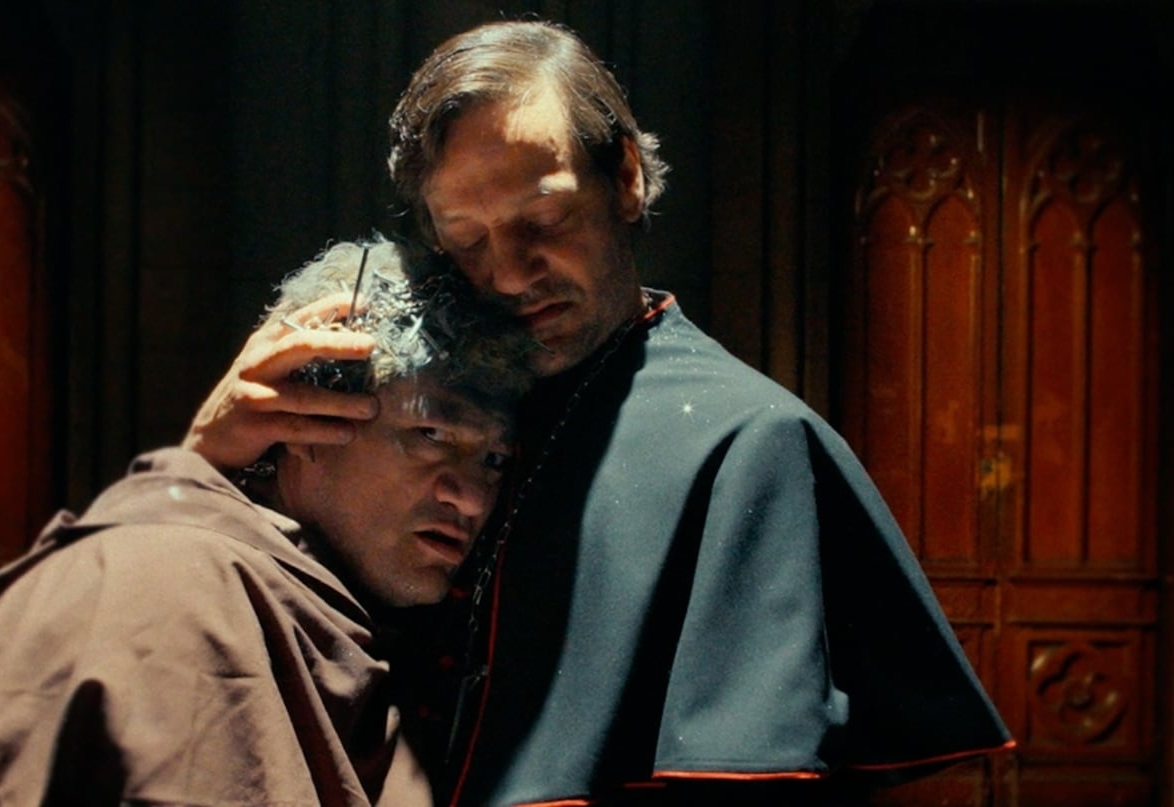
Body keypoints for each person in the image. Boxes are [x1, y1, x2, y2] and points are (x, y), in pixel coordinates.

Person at [184, 20, 1014, 807]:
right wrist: (201, 464)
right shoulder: (453, 398)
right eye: (466, 239)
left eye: (543, 221)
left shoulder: (750, 444)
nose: (509, 274)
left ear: (625, 178)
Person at [0, 237, 535, 807]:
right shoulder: (175, 589)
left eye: (494, 459)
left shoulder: (385, 623)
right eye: (431, 436)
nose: (470, 498)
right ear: (301, 416)